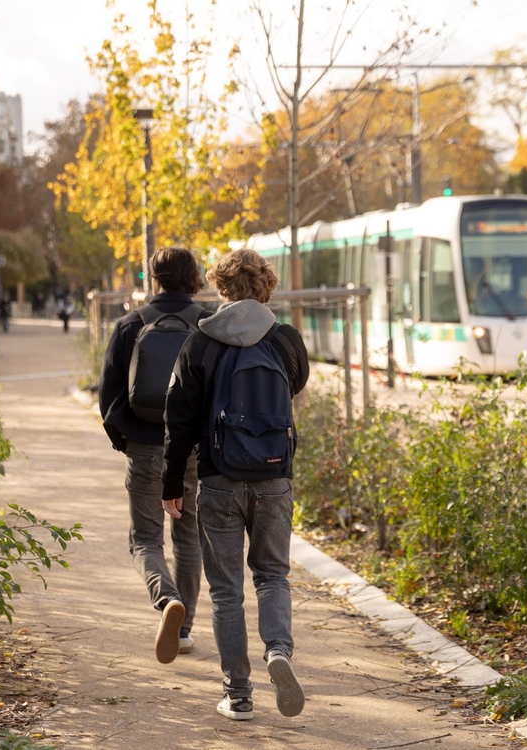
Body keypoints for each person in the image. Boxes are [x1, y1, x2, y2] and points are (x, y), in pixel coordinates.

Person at [162, 249, 309, 722]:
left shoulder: (201, 341)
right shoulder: (286, 339)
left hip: (219, 480)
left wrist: (171, 482)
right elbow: (296, 385)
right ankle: (279, 651)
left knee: (227, 593)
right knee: (273, 575)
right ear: (266, 285)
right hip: (273, 479)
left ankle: (238, 696)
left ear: (220, 287)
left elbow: (178, 421)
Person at [99, 248, 209, 666]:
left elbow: (109, 395)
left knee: (145, 539)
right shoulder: (206, 326)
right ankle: (182, 632)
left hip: (146, 447)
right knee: (189, 537)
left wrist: (128, 442)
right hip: (193, 449)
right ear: (193, 278)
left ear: (155, 278)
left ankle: (166, 601)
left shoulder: (130, 324)